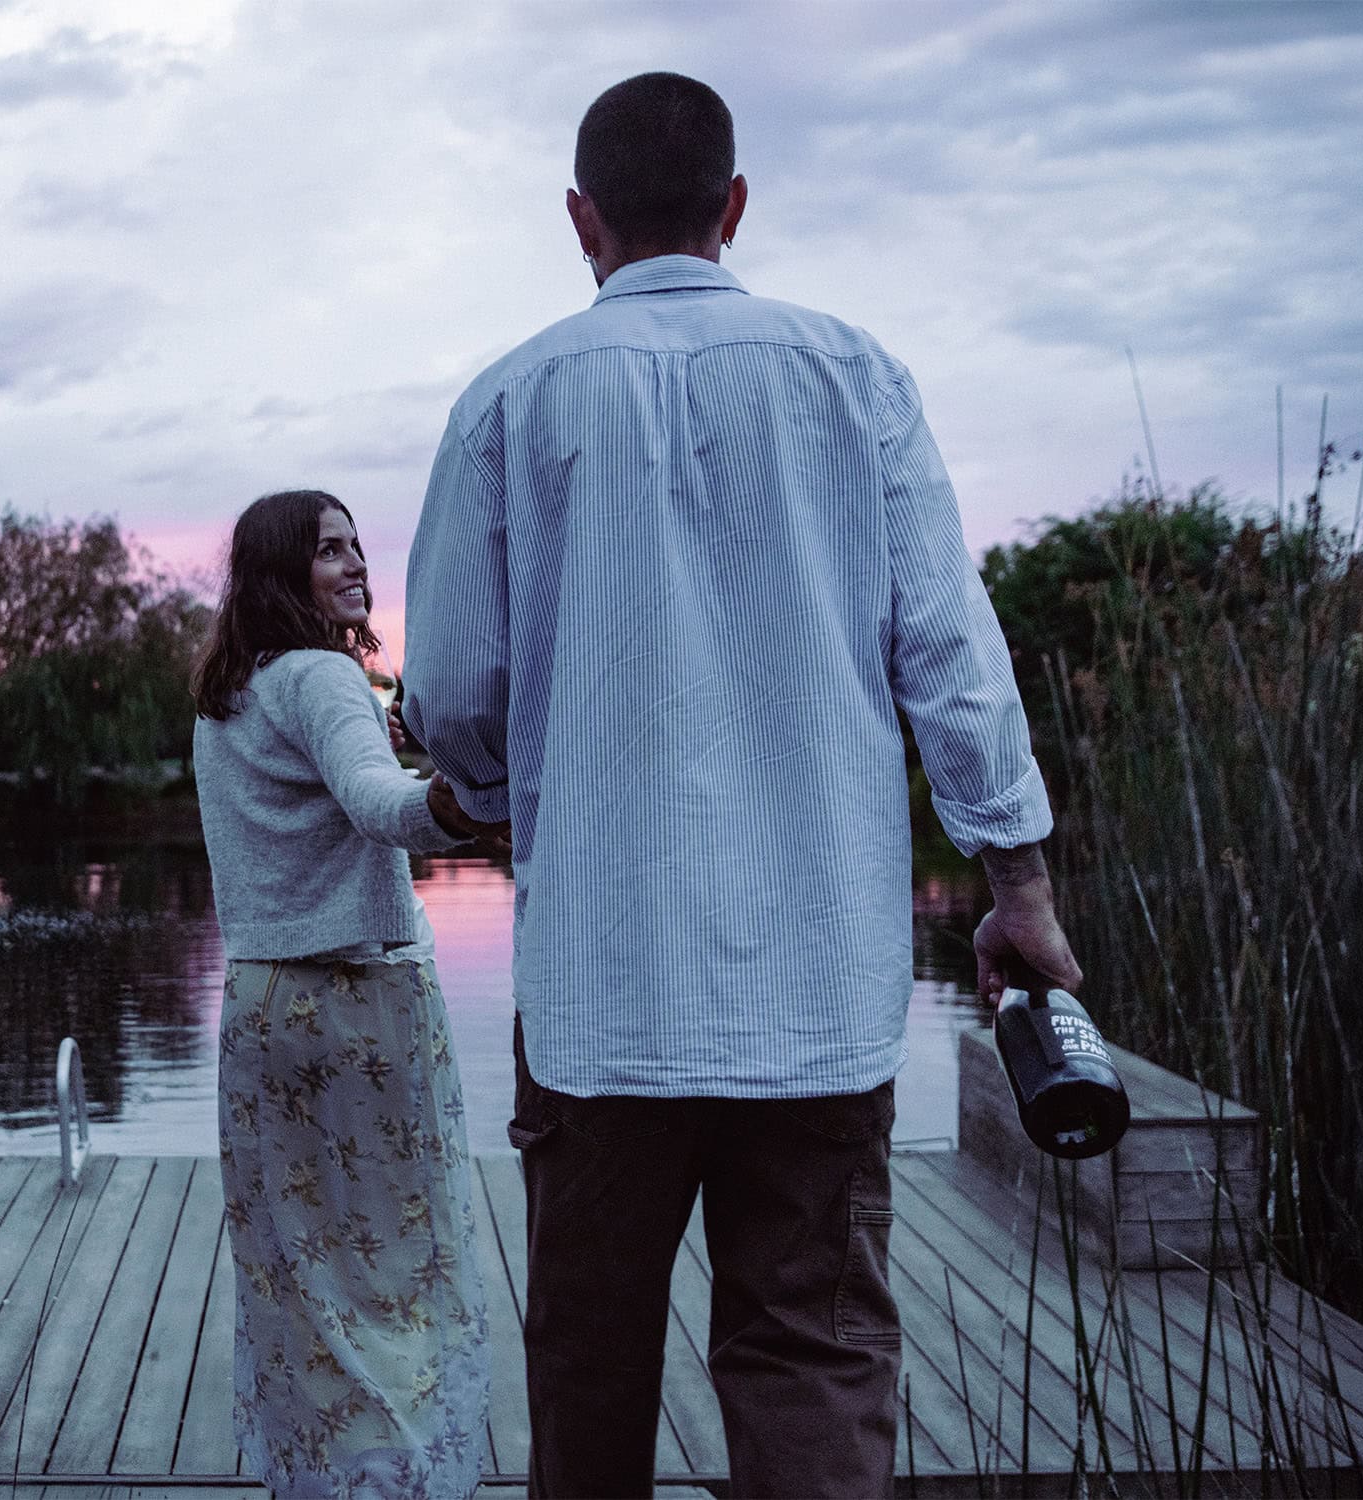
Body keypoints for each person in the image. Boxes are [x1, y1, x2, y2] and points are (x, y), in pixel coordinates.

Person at [401, 73, 1084, 1499]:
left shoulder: (510, 402)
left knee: (588, 1368)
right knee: (815, 1357)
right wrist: (1014, 878)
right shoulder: (858, 379)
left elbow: (456, 694)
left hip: (600, 1005)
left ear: (580, 220)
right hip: (818, 1002)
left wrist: (504, 797)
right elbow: (953, 656)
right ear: (735, 207)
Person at [191, 488, 494, 1499]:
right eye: (330, 550)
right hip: (363, 1006)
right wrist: (467, 797)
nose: (356, 563)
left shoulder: (228, 695)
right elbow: (379, 809)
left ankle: (319, 1480)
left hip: (265, 1009)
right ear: (283, 573)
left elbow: (328, 796)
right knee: (397, 1273)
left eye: (358, 544)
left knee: (300, 1280)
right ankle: (399, 1485)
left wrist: (390, 740)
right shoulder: (324, 677)